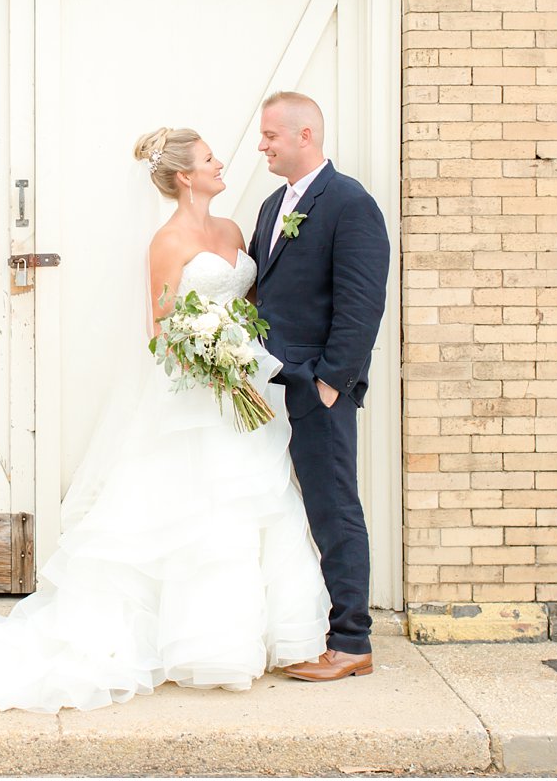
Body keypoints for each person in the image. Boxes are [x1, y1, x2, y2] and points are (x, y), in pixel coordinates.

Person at [0, 127, 327, 713]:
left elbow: (251, 304)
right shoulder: (166, 241)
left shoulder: (233, 230)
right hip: (196, 391)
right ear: (186, 176)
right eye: (210, 158)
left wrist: (244, 359)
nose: (221, 162)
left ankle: (267, 636)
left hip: (244, 385)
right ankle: (209, 645)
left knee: (258, 503)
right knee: (203, 509)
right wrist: (212, 362)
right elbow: (161, 328)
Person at [250, 91, 390, 682]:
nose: (262, 145)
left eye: (271, 136)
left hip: (316, 387)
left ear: (305, 135)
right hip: (268, 387)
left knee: (333, 508)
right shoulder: (270, 206)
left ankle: (352, 640)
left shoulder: (350, 202)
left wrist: (332, 382)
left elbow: (363, 302)